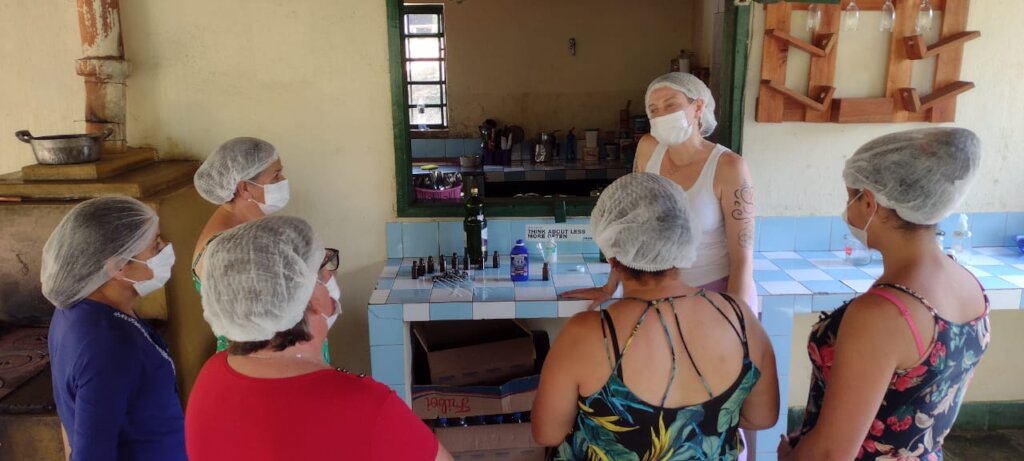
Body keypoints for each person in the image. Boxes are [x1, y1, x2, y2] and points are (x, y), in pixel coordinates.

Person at [533, 173, 779, 460]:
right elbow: (763, 418)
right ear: (684, 237)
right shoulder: (740, 318)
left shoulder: (587, 334)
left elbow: (546, 433)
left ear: (613, 258)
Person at [780, 128, 989, 461]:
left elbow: (832, 453)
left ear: (868, 201)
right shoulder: (967, 283)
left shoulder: (881, 314)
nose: (848, 208)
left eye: (850, 196)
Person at [185, 216, 451, 461]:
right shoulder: (366, 405)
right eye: (323, 266)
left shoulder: (210, 375)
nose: (331, 275)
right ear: (310, 298)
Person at [564, 72, 756, 313]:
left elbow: (742, 259)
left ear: (698, 107)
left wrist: (737, 319)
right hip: (652, 294)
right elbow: (630, 225)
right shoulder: (648, 148)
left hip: (711, 294)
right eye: (653, 110)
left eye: (671, 105)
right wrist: (609, 288)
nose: (662, 114)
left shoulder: (729, 167)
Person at [41, 196, 186, 461]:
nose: (165, 249)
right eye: (155, 246)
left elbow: (72, 420)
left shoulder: (78, 310)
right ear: (118, 267)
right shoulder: (108, 347)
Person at [190, 137, 334, 362]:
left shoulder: (247, 231)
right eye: (275, 176)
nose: (283, 180)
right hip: (265, 363)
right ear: (245, 188)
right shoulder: (229, 246)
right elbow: (267, 313)